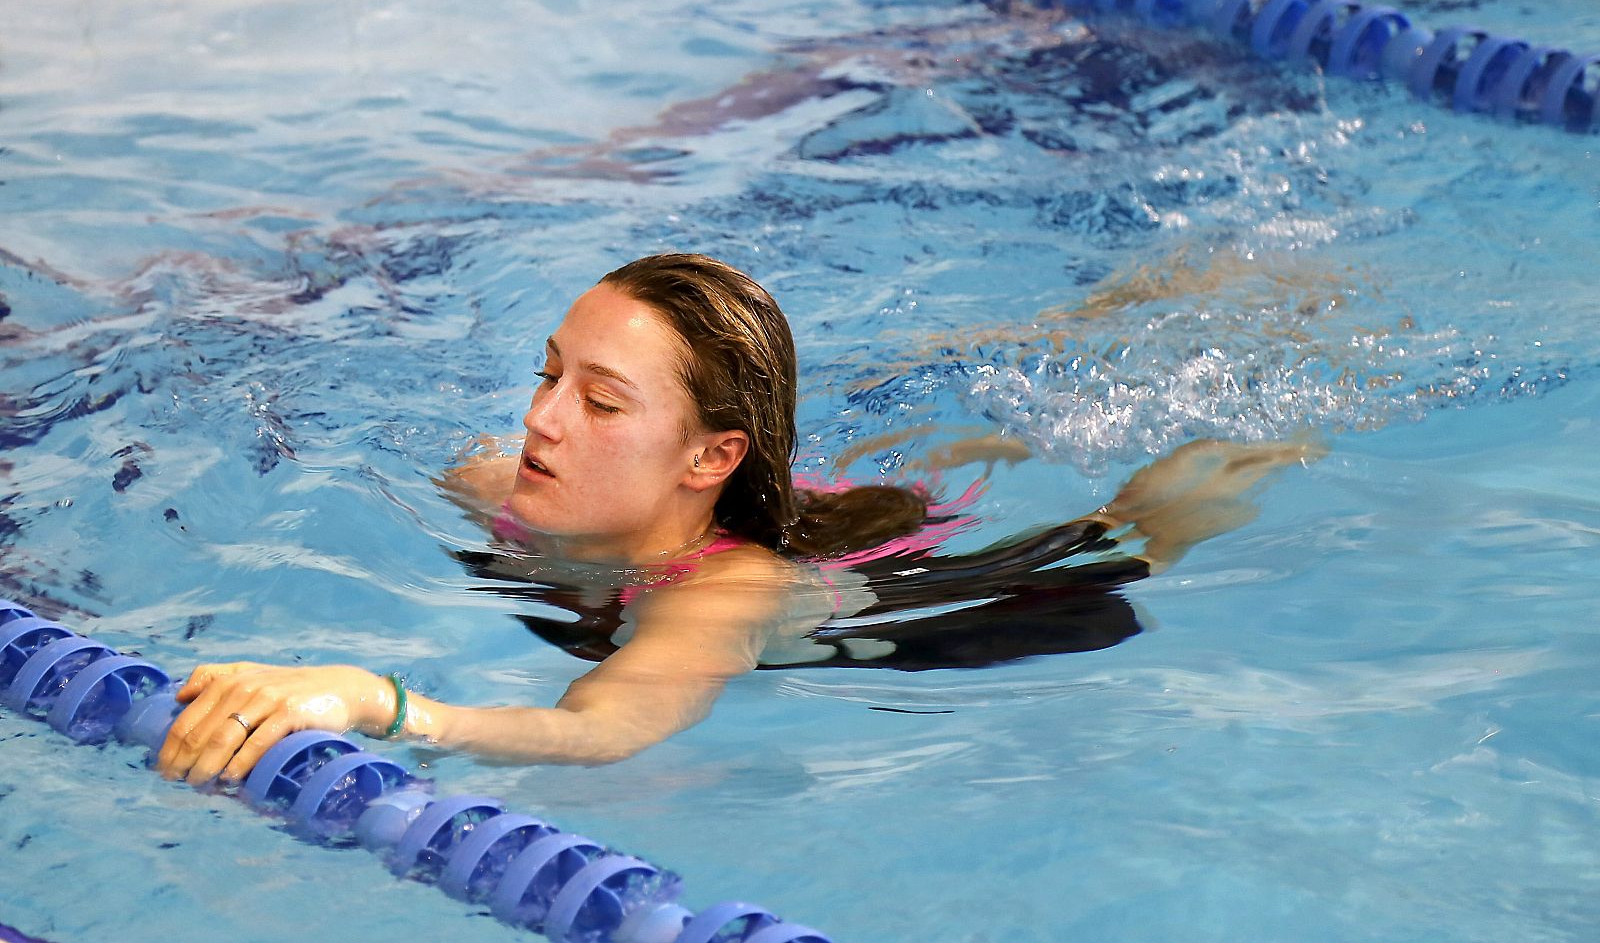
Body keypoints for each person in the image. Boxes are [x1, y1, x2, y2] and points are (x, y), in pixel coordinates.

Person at [156, 253, 1314, 785]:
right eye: (546, 373)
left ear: (711, 457)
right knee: (918, 456)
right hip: (812, 514)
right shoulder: (501, 482)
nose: (541, 422)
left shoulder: (718, 597)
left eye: (599, 399)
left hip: (934, 609)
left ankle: (1276, 400)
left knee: (1140, 527)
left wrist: (376, 698)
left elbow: (603, 731)